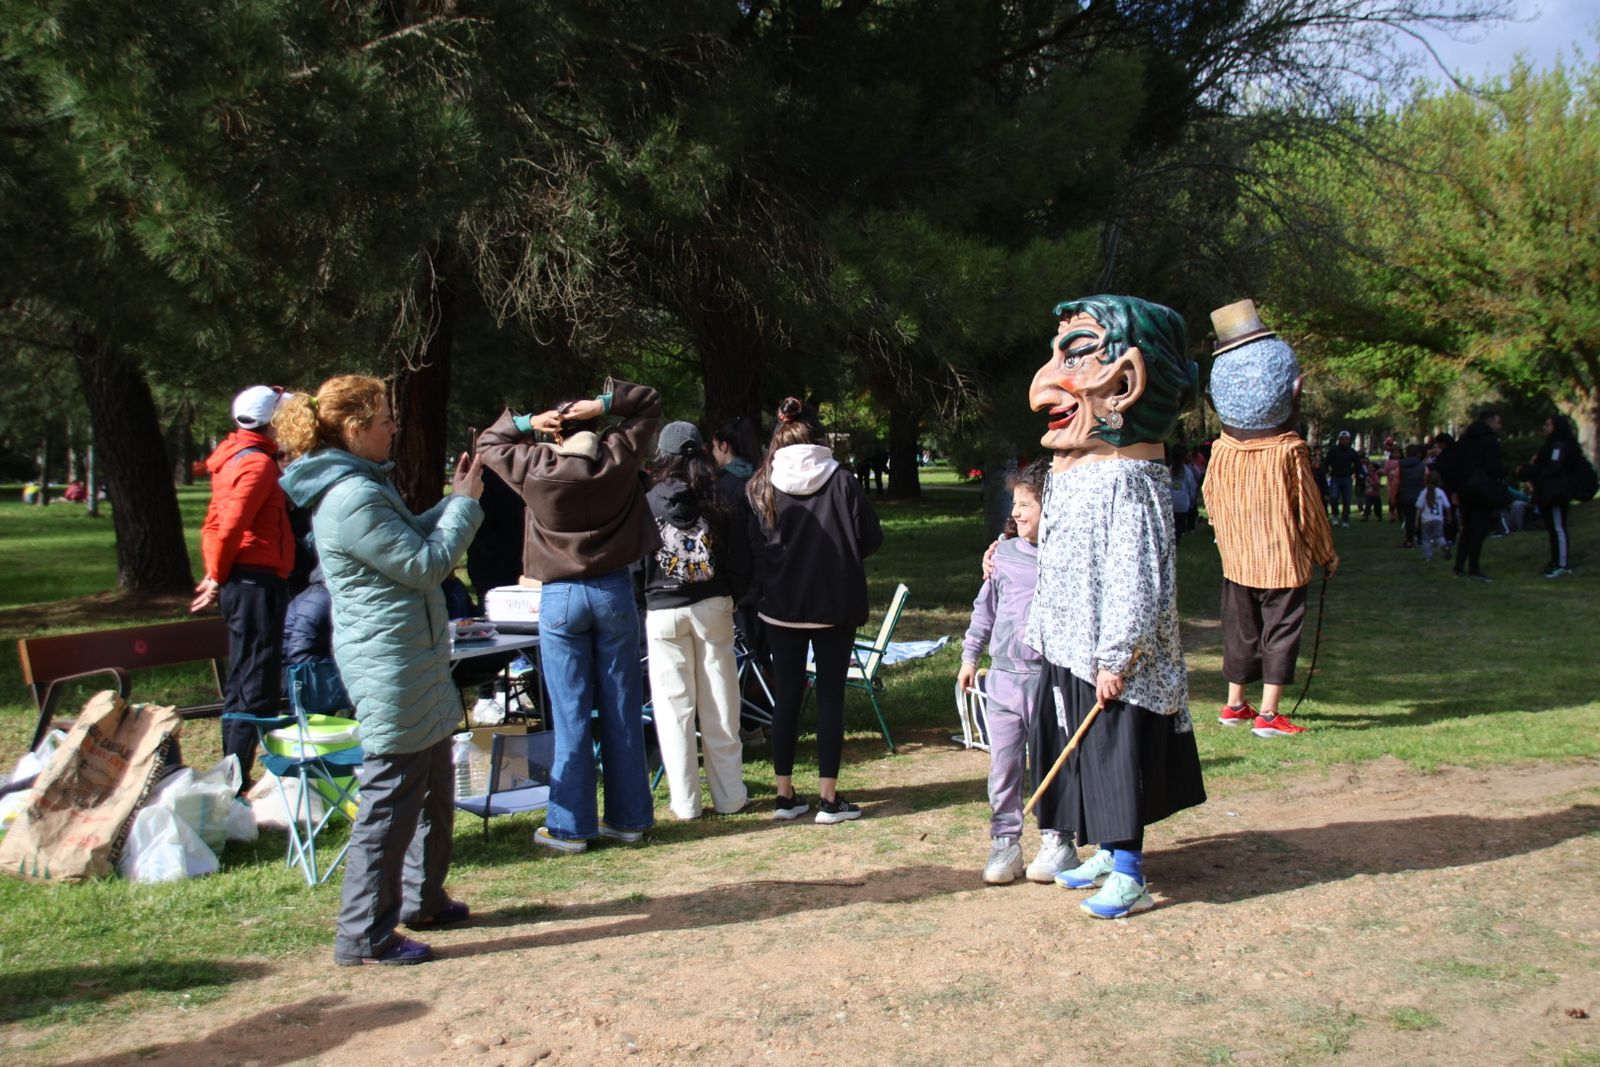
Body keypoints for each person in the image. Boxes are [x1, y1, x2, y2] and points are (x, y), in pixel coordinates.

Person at [277, 375, 485, 967]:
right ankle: (363, 935)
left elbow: (413, 535)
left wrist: (454, 499)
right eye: (386, 418)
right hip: (390, 664)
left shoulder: (362, 486)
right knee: (390, 800)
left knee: (432, 789)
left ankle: (422, 899)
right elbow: (426, 564)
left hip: (409, 657)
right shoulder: (352, 498)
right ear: (354, 429)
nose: (396, 426)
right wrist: (465, 507)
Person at [1024, 294, 1207, 920]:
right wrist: (1041, 626)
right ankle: (1104, 849)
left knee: (1116, 755)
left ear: (1126, 382)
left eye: (1075, 355)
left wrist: (1119, 652)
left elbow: (1137, 578)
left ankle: (1129, 870)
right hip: (1071, 643)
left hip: (1115, 657)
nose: (1044, 382)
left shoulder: (1129, 481)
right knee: (1084, 758)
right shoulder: (1073, 474)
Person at [477, 379, 661, 853]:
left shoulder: (536, 465)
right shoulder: (619, 455)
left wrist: (525, 422)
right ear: (599, 427)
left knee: (570, 712)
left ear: (554, 433)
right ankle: (629, 820)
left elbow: (488, 442)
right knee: (622, 708)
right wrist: (602, 402)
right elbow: (648, 404)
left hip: (558, 596)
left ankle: (570, 826)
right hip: (613, 590)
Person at [1203, 300, 1338, 740]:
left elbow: (1210, 497)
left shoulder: (1222, 450)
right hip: (1281, 557)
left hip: (1238, 557)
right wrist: (1325, 553)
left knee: (1240, 628)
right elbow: (1309, 509)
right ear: (1291, 391)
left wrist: (1225, 537)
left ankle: (1234, 703)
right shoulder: (1287, 450)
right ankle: (1269, 713)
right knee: (1280, 629)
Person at [747, 397, 883, 824]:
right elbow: (870, 537)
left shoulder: (761, 483)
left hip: (780, 607)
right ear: (818, 437)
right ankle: (828, 798)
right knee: (830, 699)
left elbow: (753, 547)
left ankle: (784, 795)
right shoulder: (842, 480)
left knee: (786, 698)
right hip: (834, 605)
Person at [958, 459, 1068, 885]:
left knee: (1051, 762)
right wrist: (970, 657)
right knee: (1003, 766)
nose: (1017, 512)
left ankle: (1058, 838)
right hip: (1003, 678)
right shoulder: (1002, 556)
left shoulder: (1066, 558)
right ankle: (1004, 842)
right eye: (1015, 504)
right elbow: (984, 612)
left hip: (1050, 680)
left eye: (1027, 504)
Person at [642, 421, 751, 820]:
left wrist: (647, 599)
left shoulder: (647, 501)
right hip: (713, 606)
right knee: (722, 704)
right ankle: (731, 797)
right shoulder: (720, 498)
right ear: (702, 451)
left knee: (673, 712)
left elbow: (636, 562)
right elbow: (742, 559)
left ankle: (686, 803)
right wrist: (732, 597)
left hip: (663, 610)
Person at [191, 384, 295, 791]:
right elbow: (230, 523)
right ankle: (235, 777)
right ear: (272, 421)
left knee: (246, 677)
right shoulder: (257, 464)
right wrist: (217, 574)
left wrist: (216, 570)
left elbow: (217, 522)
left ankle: (234, 774)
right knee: (254, 680)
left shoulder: (236, 455)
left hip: (249, 577)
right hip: (254, 580)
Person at [1519, 414, 1581, 577]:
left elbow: (1554, 467)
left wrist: (1535, 470)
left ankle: (1562, 564)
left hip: (1556, 493)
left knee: (1558, 527)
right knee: (1553, 528)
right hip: (1547, 492)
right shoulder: (1549, 446)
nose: (1544, 428)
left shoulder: (1558, 446)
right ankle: (1555, 561)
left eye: (1548, 425)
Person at [1453, 408, 1505, 582]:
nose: (1499, 426)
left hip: (1466, 488)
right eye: (1497, 422)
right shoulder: (1490, 442)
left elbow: (1457, 464)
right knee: (1479, 529)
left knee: (1467, 528)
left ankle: (1459, 565)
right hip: (1483, 489)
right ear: (1490, 422)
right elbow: (1494, 467)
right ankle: (1473, 566)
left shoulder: (1464, 440)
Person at [1323, 430, 1360, 527]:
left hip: (1347, 478)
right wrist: (1325, 472)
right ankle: (1335, 516)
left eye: (1346, 439)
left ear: (1349, 440)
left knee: (1347, 501)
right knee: (1334, 497)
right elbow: (1326, 462)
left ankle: (1345, 520)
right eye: (1342, 439)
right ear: (1339, 439)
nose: (1344, 441)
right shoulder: (1333, 451)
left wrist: (1357, 473)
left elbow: (1357, 465)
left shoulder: (1352, 452)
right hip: (1335, 477)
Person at [1415, 470, 1451, 563]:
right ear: (1438, 481)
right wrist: (1449, 516)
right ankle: (1444, 545)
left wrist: (1416, 520)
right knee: (1439, 536)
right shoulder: (1441, 492)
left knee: (1426, 539)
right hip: (1438, 519)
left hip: (1426, 520)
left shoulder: (1424, 492)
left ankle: (1428, 557)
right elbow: (1447, 506)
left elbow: (1419, 507)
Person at [1395, 444, 1427, 548]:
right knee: (1421, 518)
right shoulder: (1423, 466)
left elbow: (1396, 482)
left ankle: (1409, 540)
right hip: (1420, 495)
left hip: (1405, 495)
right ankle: (1420, 538)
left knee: (1409, 519)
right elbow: (1427, 480)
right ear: (1418, 454)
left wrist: (1394, 496)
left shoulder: (1400, 465)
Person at [1167, 444, 1198, 543]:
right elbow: (1192, 487)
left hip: (1170, 503)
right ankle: (1177, 540)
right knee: (1180, 524)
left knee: (1173, 524)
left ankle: (1172, 540)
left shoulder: (1168, 470)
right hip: (1183, 503)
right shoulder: (1187, 471)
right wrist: (1192, 500)